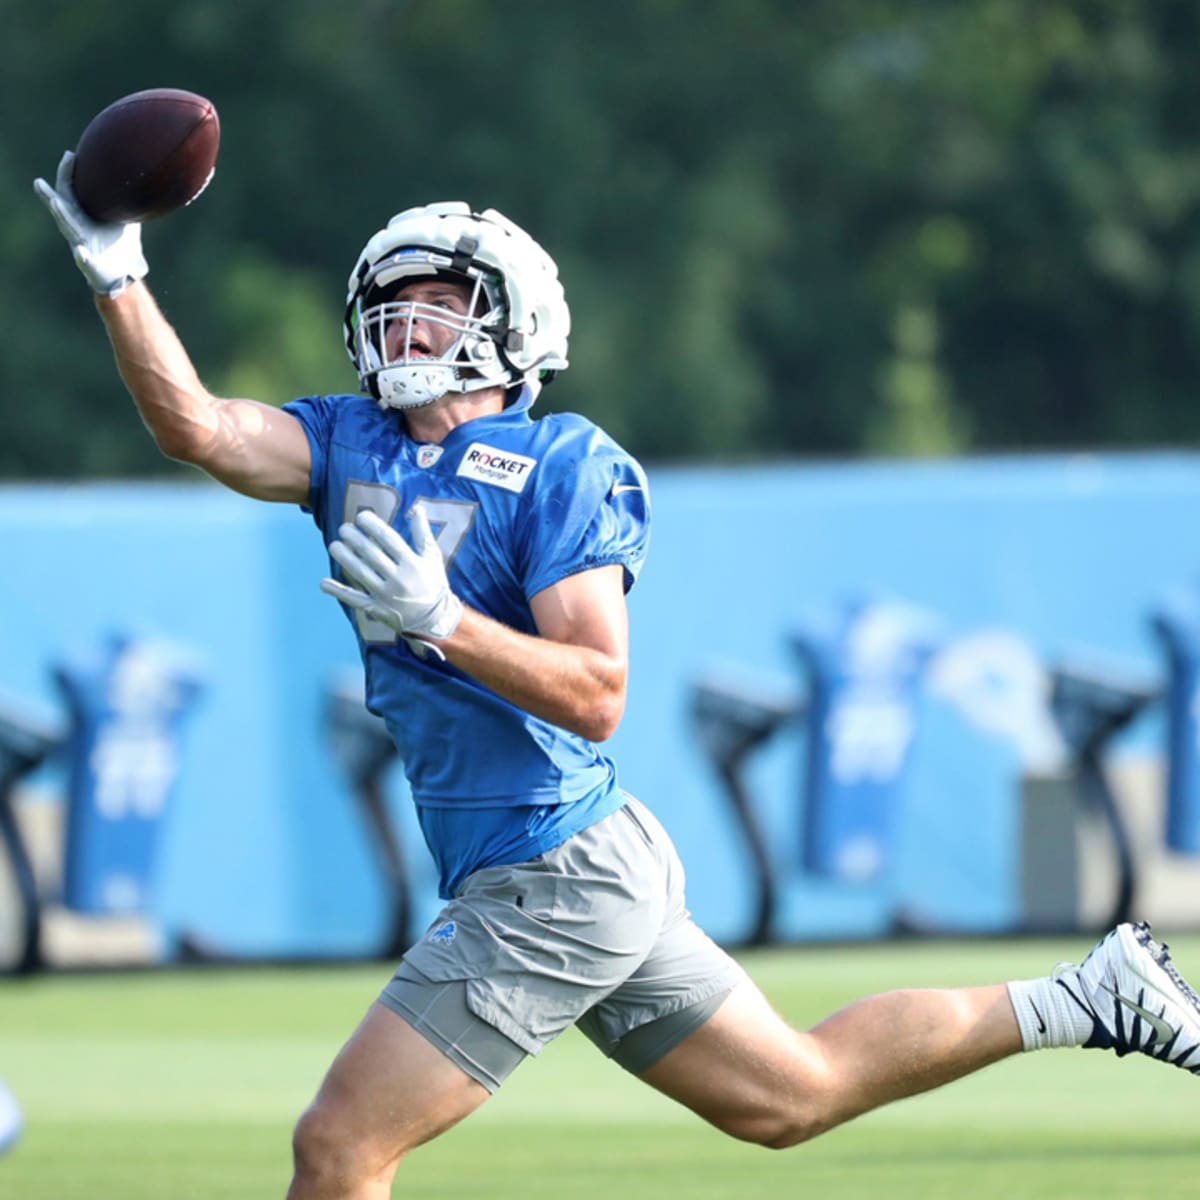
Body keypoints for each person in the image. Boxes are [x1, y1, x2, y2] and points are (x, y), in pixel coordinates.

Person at [35, 151, 1200, 1200]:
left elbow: (597, 692)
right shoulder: (351, 444)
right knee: (787, 1096)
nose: (404, 324)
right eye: (389, 304)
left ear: (512, 322)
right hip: (567, 860)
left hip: (553, 868)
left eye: (437, 303)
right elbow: (195, 426)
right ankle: (1087, 997)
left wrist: (445, 620)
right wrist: (117, 269)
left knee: (340, 1151)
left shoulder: (561, 462)